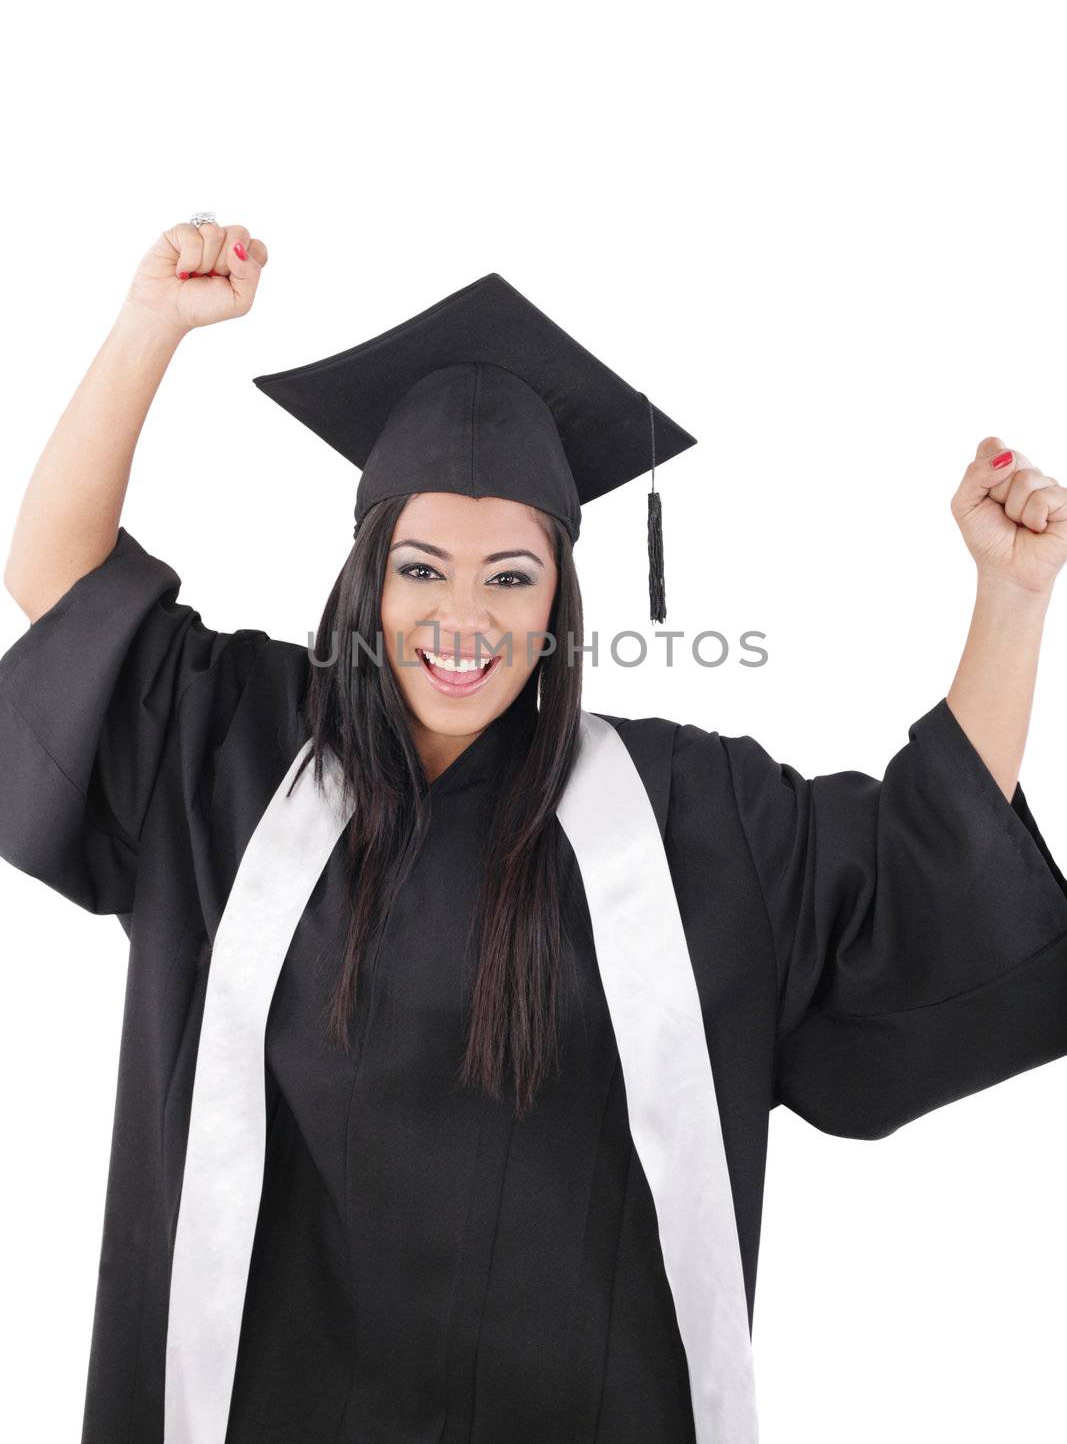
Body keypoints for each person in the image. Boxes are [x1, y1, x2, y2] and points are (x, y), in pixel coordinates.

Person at [2, 219, 1066, 1444]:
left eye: (509, 575)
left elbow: (921, 887)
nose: (462, 617)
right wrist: (151, 323)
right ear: (367, 577)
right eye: (420, 570)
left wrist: (1011, 594)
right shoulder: (234, 752)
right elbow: (62, 589)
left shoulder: (682, 815)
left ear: (559, 591)